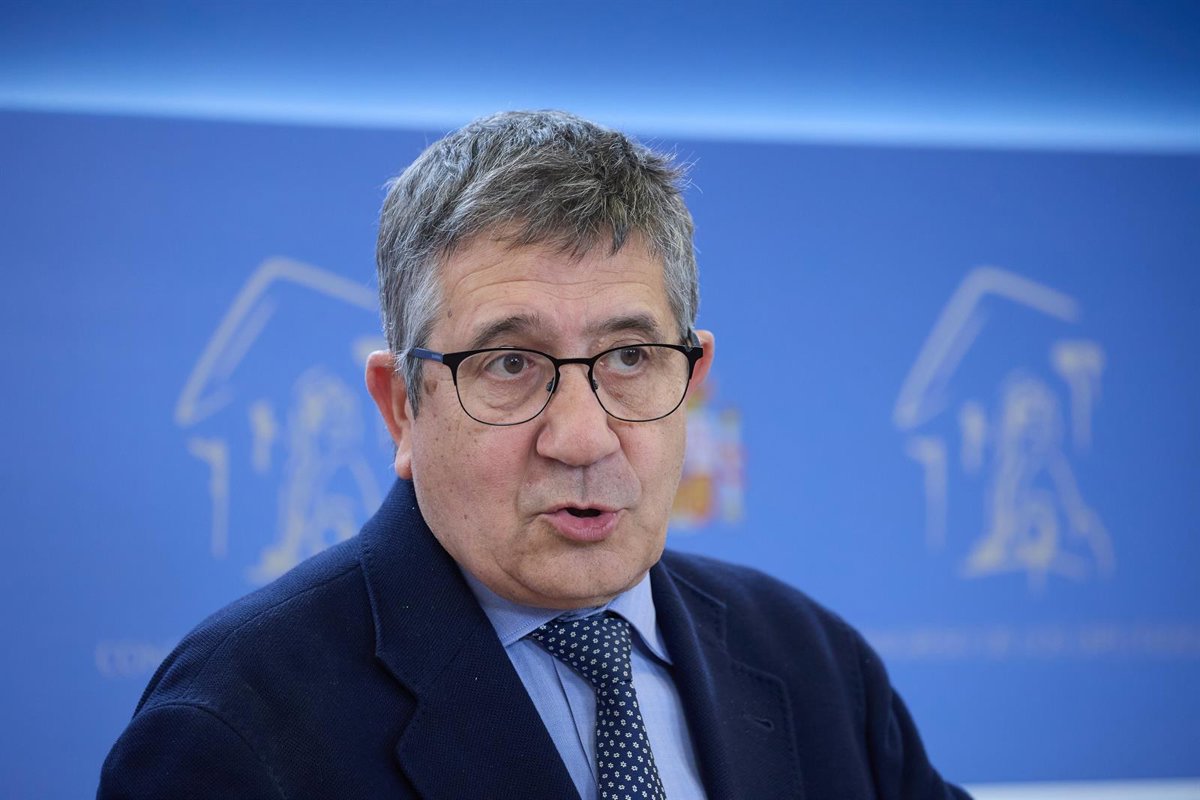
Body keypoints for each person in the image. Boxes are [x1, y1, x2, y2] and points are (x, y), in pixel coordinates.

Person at [99, 110, 970, 799]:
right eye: (511, 365)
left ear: (693, 381)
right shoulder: (231, 730)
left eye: (630, 358)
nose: (583, 438)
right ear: (402, 409)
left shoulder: (817, 666)